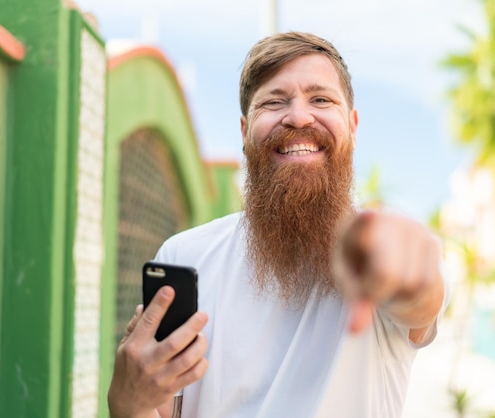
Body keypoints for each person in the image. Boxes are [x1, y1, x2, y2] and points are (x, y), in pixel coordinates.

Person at [108, 31, 447, 418]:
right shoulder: (185, 255)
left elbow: (419, 301)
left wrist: (408, 274)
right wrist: (129, 404)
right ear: (243, 131)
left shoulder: (379, 253)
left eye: (321, 99)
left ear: (352, 127)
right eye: (274, 101)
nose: (299, 116)